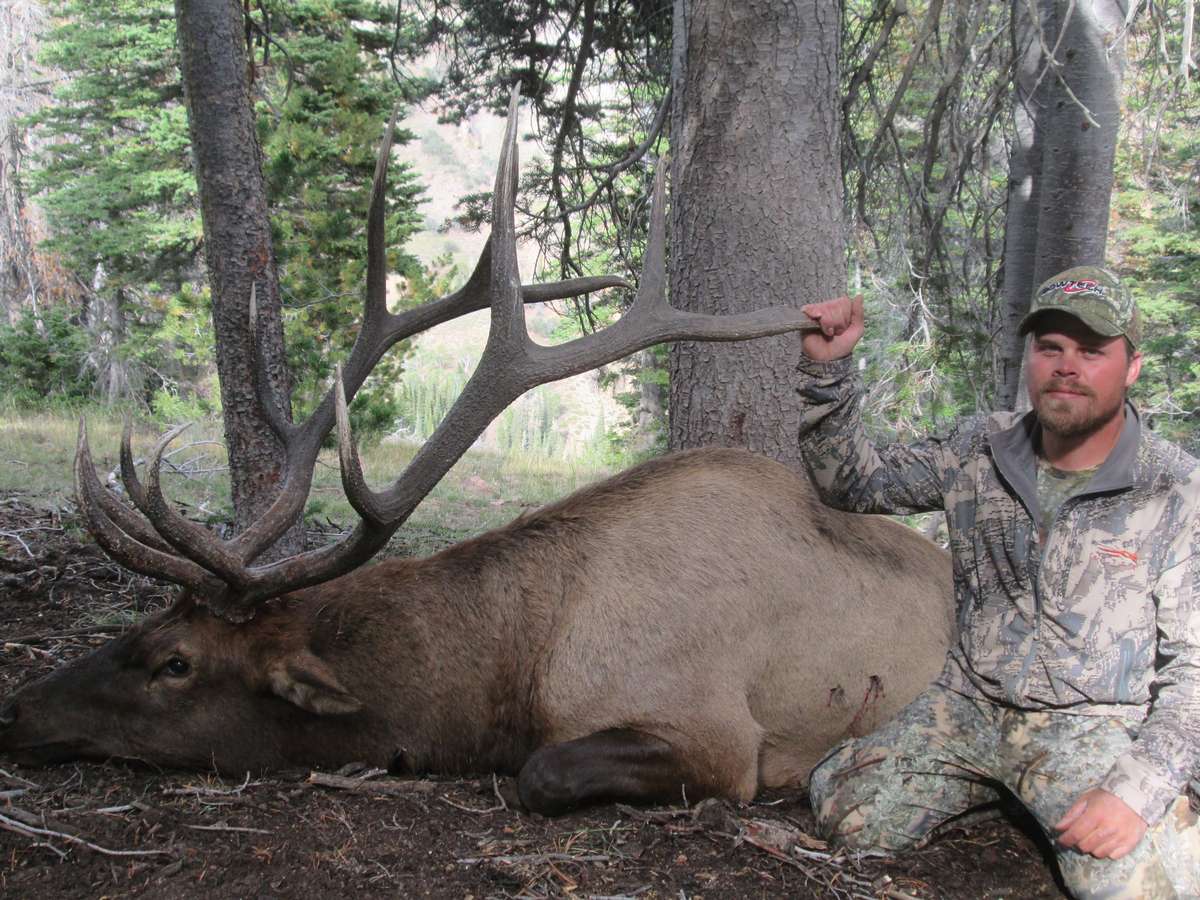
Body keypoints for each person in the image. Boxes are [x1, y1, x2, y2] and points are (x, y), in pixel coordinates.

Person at [796, 266, 1200, 899]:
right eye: (1050, 348)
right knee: (842, 809)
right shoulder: (978, 449)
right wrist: (829, 374)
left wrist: (1137, 788)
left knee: (1132, 885)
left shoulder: (1176, 490)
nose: (1066, 366)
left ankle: (1163, 814)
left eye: (1092, 351)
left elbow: (1194, 671)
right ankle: (1005, 793)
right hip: (968, 703)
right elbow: (852, 483)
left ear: (1132, 368)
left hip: (1092, 721)